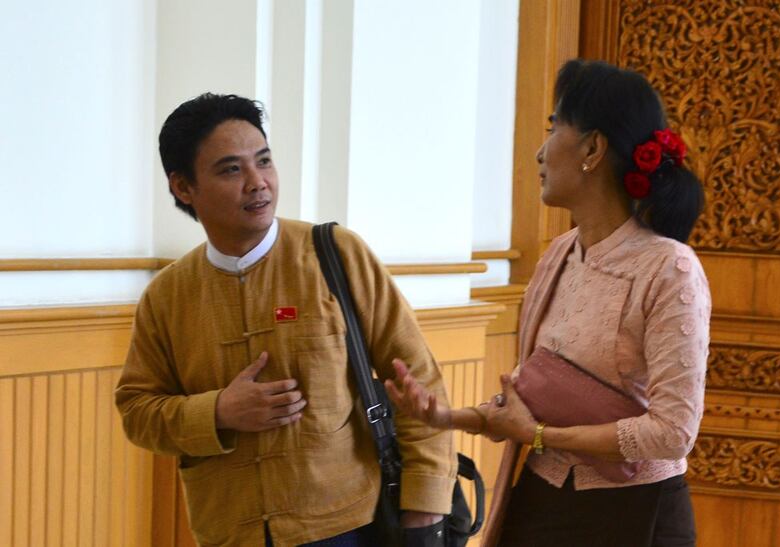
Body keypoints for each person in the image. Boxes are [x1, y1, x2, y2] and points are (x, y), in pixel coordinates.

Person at [385, 59, 710, 547]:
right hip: (540, 501)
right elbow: (529, 399)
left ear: (593, 149)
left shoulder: (670, 268)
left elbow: (672, 433)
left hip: (636, 514)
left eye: (553, 128)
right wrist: (443, 417)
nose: (539, 152)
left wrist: (539, 435)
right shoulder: (558, 254)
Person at [115, 93, 456, 547]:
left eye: (264, 161)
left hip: (347, 524)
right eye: (231, 169)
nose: (258, 183)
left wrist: (426, 511)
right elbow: (138, 412)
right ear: (183, 187)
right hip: (229, 530)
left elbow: (417, 380)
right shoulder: (167, 295)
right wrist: (217, 411)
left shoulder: (335, 253)